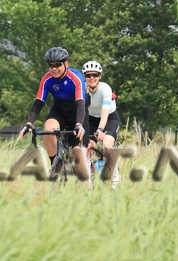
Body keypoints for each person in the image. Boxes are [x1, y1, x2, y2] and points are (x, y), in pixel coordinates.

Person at [18, 47, 88, 180]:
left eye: (58, 65)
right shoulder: (47, 79)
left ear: (66, 64)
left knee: (77, 153)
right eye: (51, 66)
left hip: (77, 111)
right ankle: (56, 166)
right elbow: (38, 102)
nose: (54, 69)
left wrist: (79, 124)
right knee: (48, 129)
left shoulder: (76, 77)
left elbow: (80, 102)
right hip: (59, 110)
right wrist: (29, 123)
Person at [81, 61, 121, 189]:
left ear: (100, 76)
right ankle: (89, 184)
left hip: (109, 118)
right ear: (84, 77)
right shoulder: (82, 89)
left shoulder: (105, 89)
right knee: (87, 147)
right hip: (91, 119)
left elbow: (105, 112)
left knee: (107, 145)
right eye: (88, 75)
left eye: (95, 75)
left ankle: (115, 179)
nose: (92, 78)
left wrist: (100, 129)